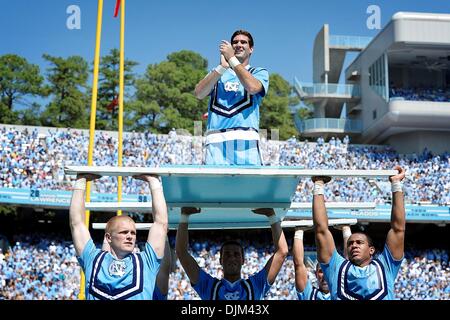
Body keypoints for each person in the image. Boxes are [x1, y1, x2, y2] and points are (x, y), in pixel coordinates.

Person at [312, 166, 406, 300]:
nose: (354, 245)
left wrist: (396, 184)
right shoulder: (336, 268)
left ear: (371, 250)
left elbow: (398, 229)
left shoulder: (386, 266)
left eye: (359, 242)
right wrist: (318, 186)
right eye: (350, 244)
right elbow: (321, 231)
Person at [69, 174, 168, 300]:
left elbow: (161, 224)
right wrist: (80, 182)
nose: (129, 237)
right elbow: (76, 224)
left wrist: (153, 182)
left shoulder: (147, 261)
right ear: (109, 238)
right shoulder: (92, 258)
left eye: (133, 233)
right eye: (124, 232)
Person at [175, 207, 288, 300]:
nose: (232, 258)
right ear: (220, 260)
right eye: (227, 254)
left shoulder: (255, 286)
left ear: (243, 260)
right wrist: (185, 215)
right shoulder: (209, 286)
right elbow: (182, 253)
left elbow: (282, 252)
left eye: (236, 254)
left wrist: (271, 214)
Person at [194, 30, 269, 166]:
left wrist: (232, 60)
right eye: (235, 42)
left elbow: (252, 87)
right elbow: (199, 94)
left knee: (250, 186)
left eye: (243, 42)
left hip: (246, 142)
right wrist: (222, 67)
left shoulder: (259, 72)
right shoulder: (217, 73)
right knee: (215, 187)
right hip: (216, 142)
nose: (238, 44)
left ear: (251, 49)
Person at [101, 234, 174, 300]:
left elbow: (164, 268)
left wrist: (163, 233)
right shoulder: (116, 282)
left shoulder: (152, 288)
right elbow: (105, 263)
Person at [292, 224, 352, 300]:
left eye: (328, 271)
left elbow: (350, 262)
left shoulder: (343, 291)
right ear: (315, 274)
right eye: (321, 271)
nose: (325, 275)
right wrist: (299, 232)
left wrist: (346, 230)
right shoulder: (309, 294)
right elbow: (298, 264)